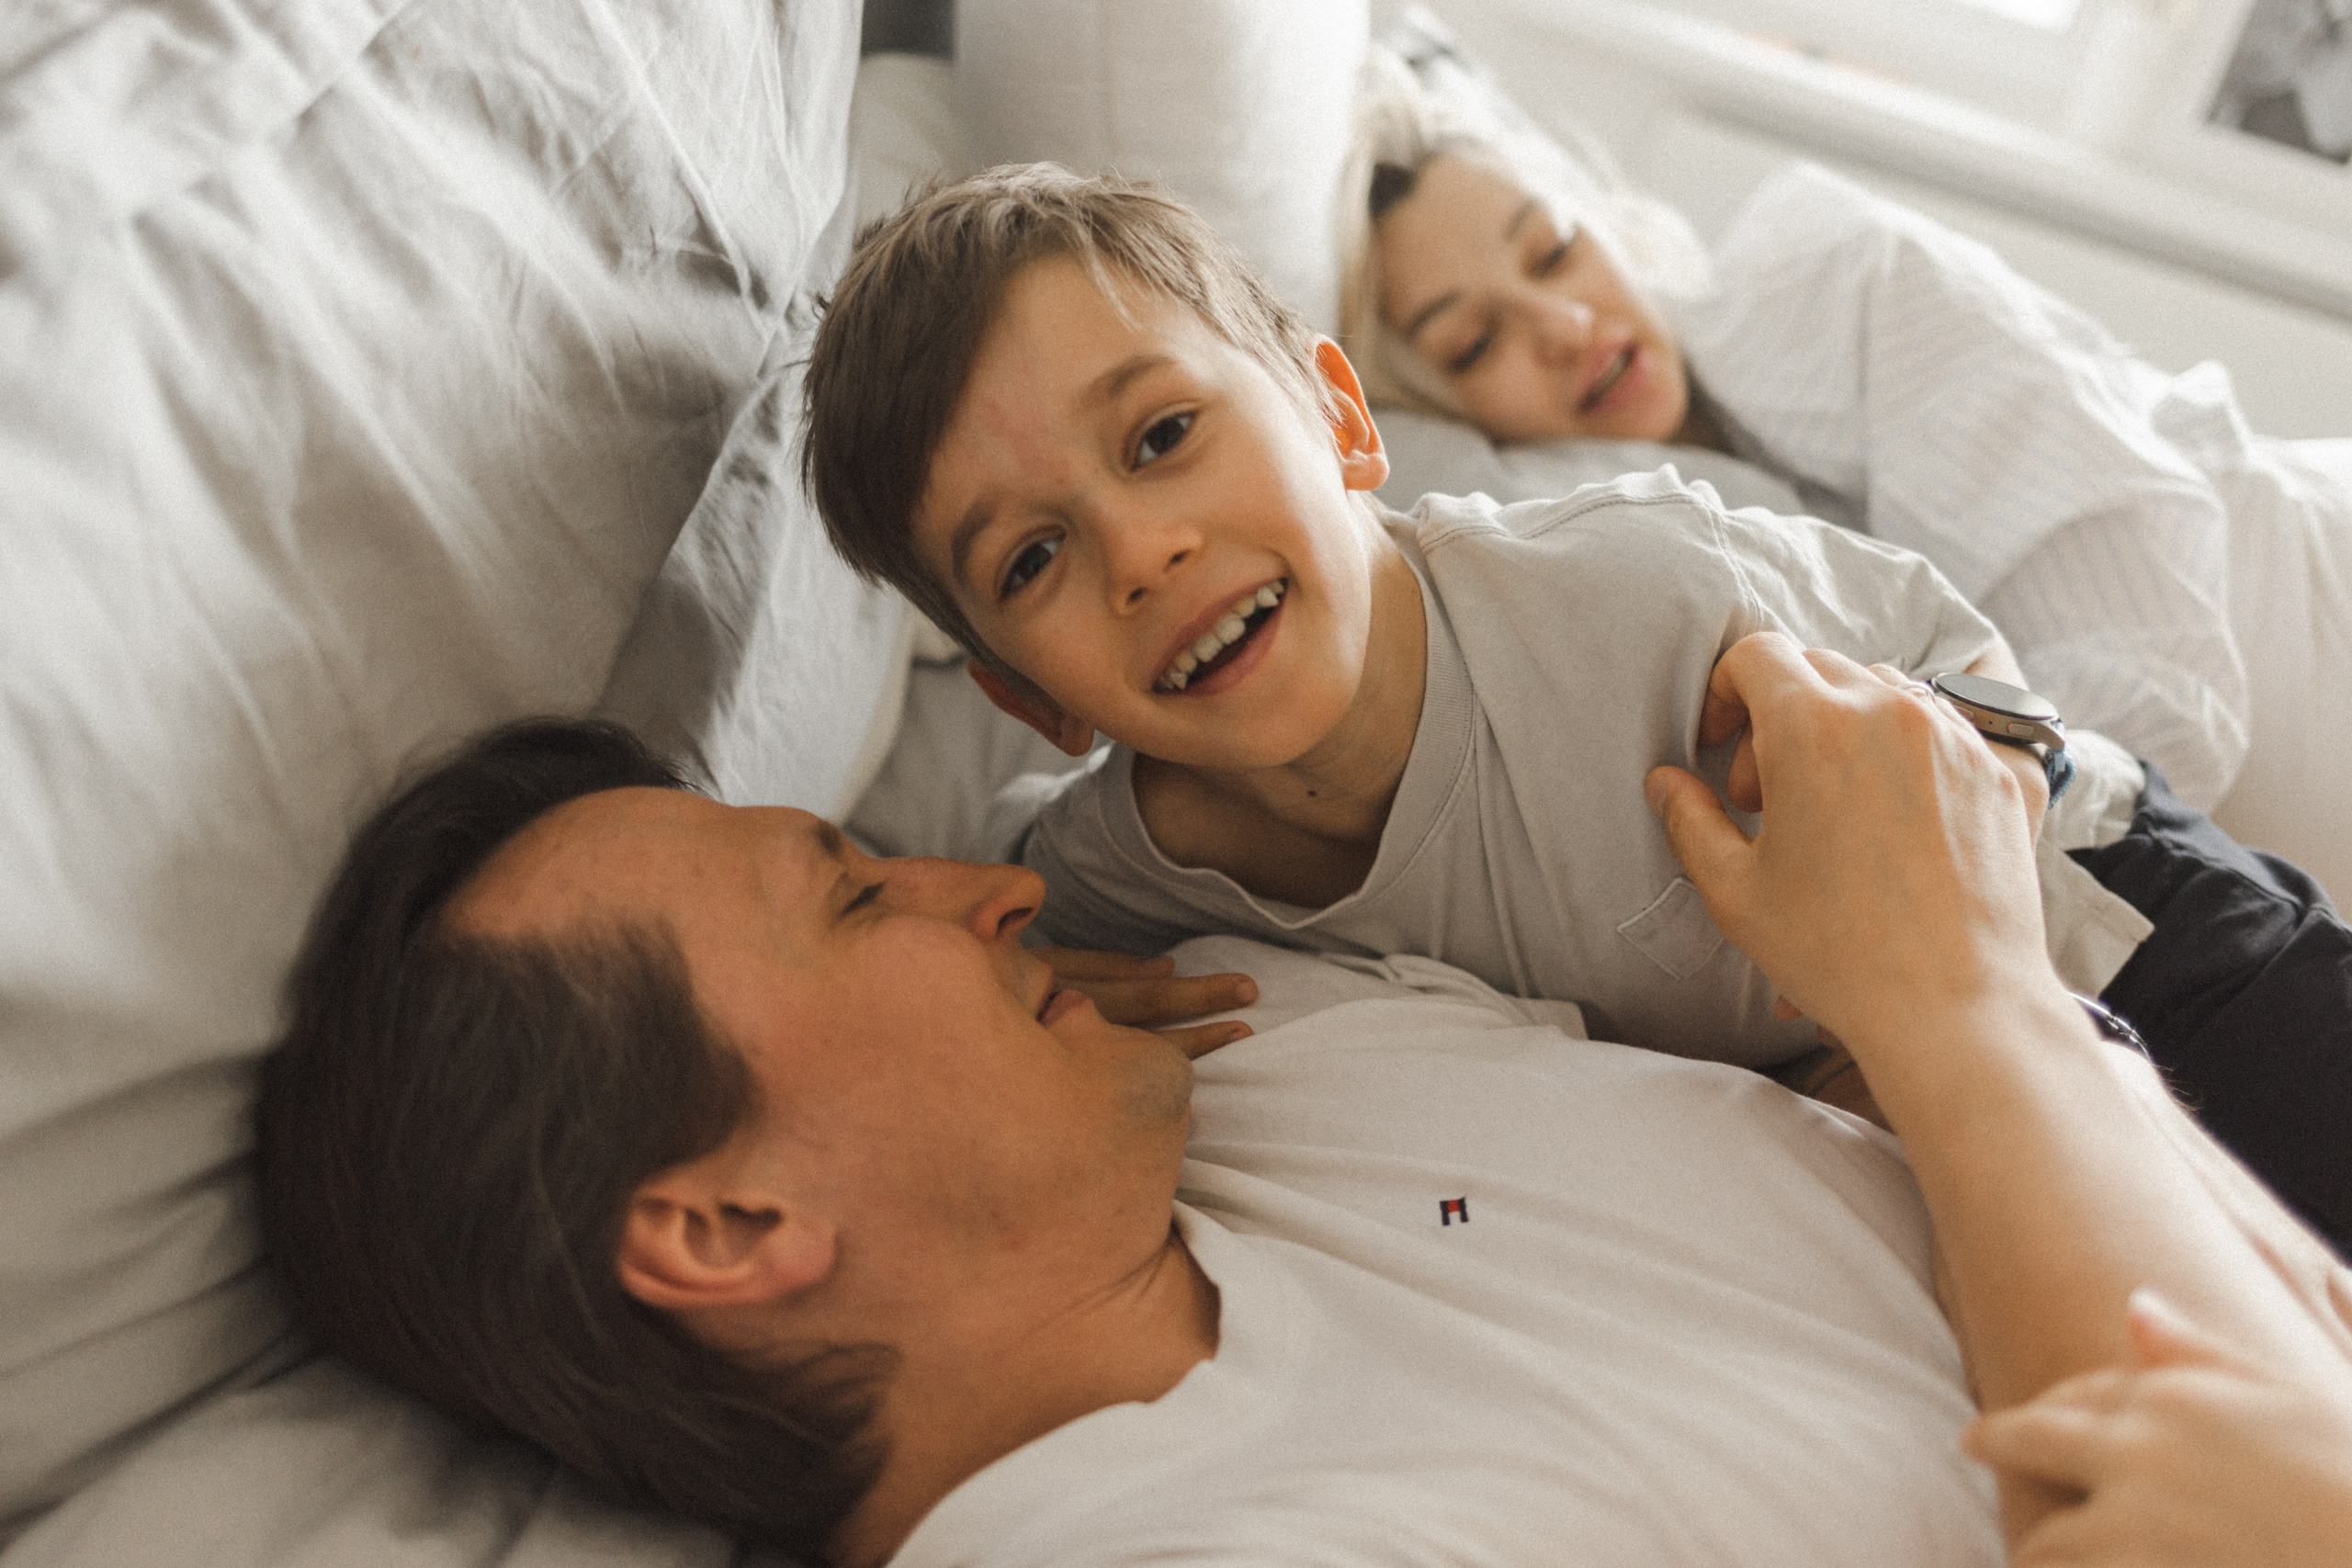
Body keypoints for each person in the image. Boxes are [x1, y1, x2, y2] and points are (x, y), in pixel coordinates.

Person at [252, 639, 2352, 1566]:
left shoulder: (1238, 1058)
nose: (985, 885)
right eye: (857, 893)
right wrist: (1962, 1000)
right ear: (721, 1223)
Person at [798, 163, 2352, 1249]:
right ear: (1023, 694)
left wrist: (1924, 982)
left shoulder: (1636, 596)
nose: (1144, 554)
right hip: (1915, 1132)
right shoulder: (1110, 879)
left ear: (1344, 419)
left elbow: (1982, 690)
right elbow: (963, 941)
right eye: (1035, 557)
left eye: (1161, 437)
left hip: (2131, 933)